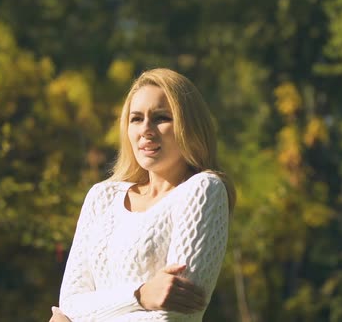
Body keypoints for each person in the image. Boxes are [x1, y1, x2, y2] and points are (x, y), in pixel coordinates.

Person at [49, 68, 235, 322]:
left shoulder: (203, 190)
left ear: (189, 126)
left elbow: (172, 318)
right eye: (136, 119)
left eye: (161, 118)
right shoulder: (102, 197)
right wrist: (140, 296)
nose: (146, 129)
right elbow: (70, 303)